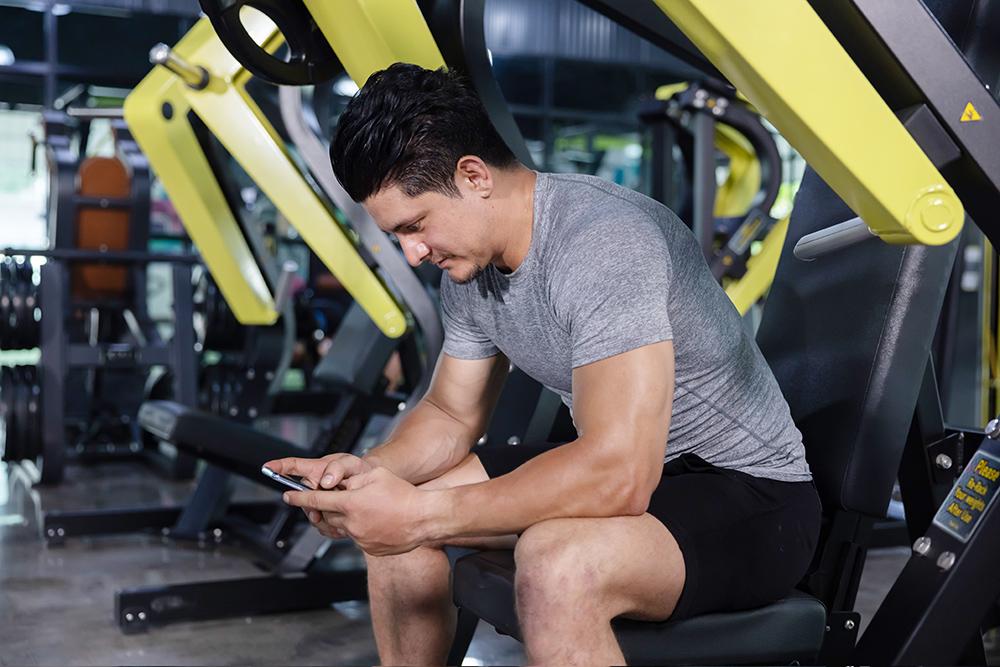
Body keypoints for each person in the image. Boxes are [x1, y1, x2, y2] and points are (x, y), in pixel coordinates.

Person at [266, 63, 821, 666]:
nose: (413, 252)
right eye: (399, 236)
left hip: (749, 495)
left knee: (557, 563)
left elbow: (618, 473)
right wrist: (368, 475)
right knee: (389, 510)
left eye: (416, 225)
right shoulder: (469, 267)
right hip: (634, 472)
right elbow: (452, 412)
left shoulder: (602, 241)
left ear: (473, 176)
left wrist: (422, 517)